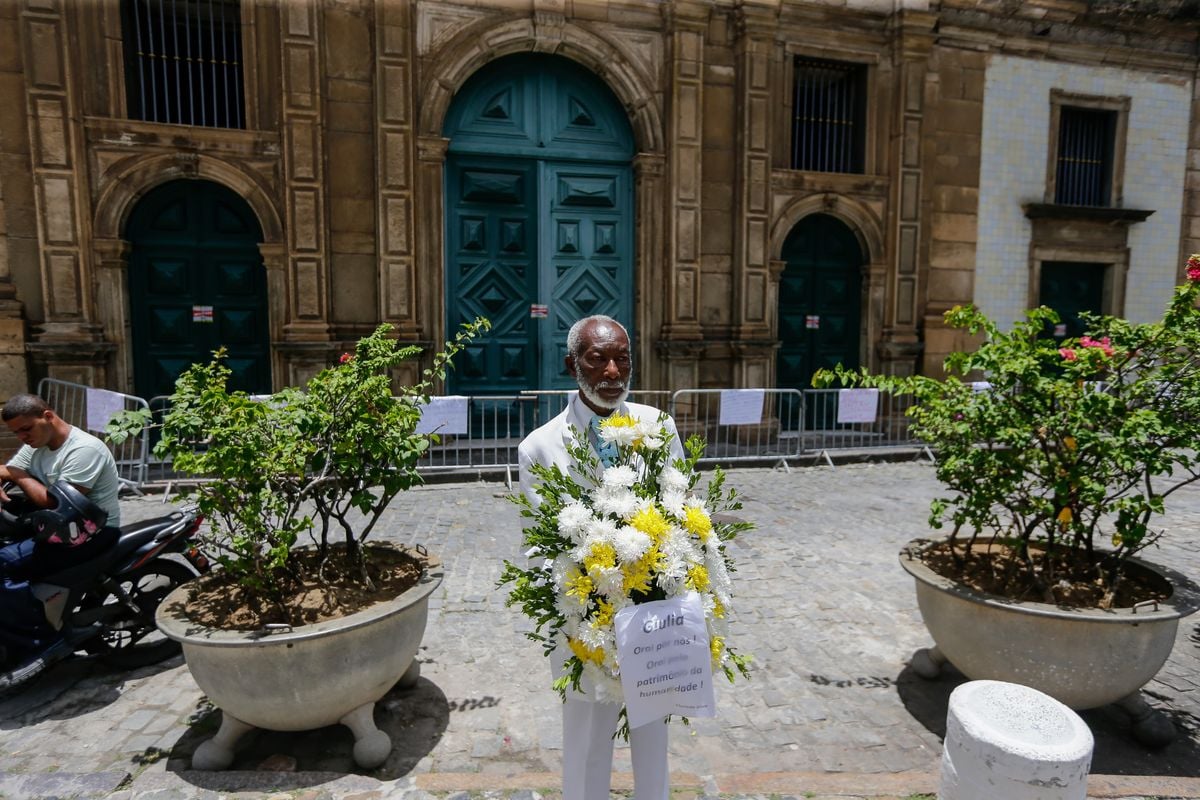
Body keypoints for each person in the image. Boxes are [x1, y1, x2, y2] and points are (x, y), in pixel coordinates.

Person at [517, 315, 685, 800]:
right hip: (583, 624)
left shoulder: (658, 427)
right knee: (587, 737)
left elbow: (681, 513)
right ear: (572, 363)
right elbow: (537, 545)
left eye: (622, 358)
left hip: (653, 615)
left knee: (653, 730)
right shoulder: (540, 448)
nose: (612, 370)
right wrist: (591, 595)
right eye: (598, 359)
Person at [0, 394, 121, 654]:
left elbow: (54, 503)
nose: (22, 437)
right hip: (58, 528)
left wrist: (19, 476)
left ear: (48, 416)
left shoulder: (84, 449)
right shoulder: (37, 444)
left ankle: (41, 639)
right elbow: (7, 469)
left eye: (26, 429)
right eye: (16, 432)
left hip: (91, 533)